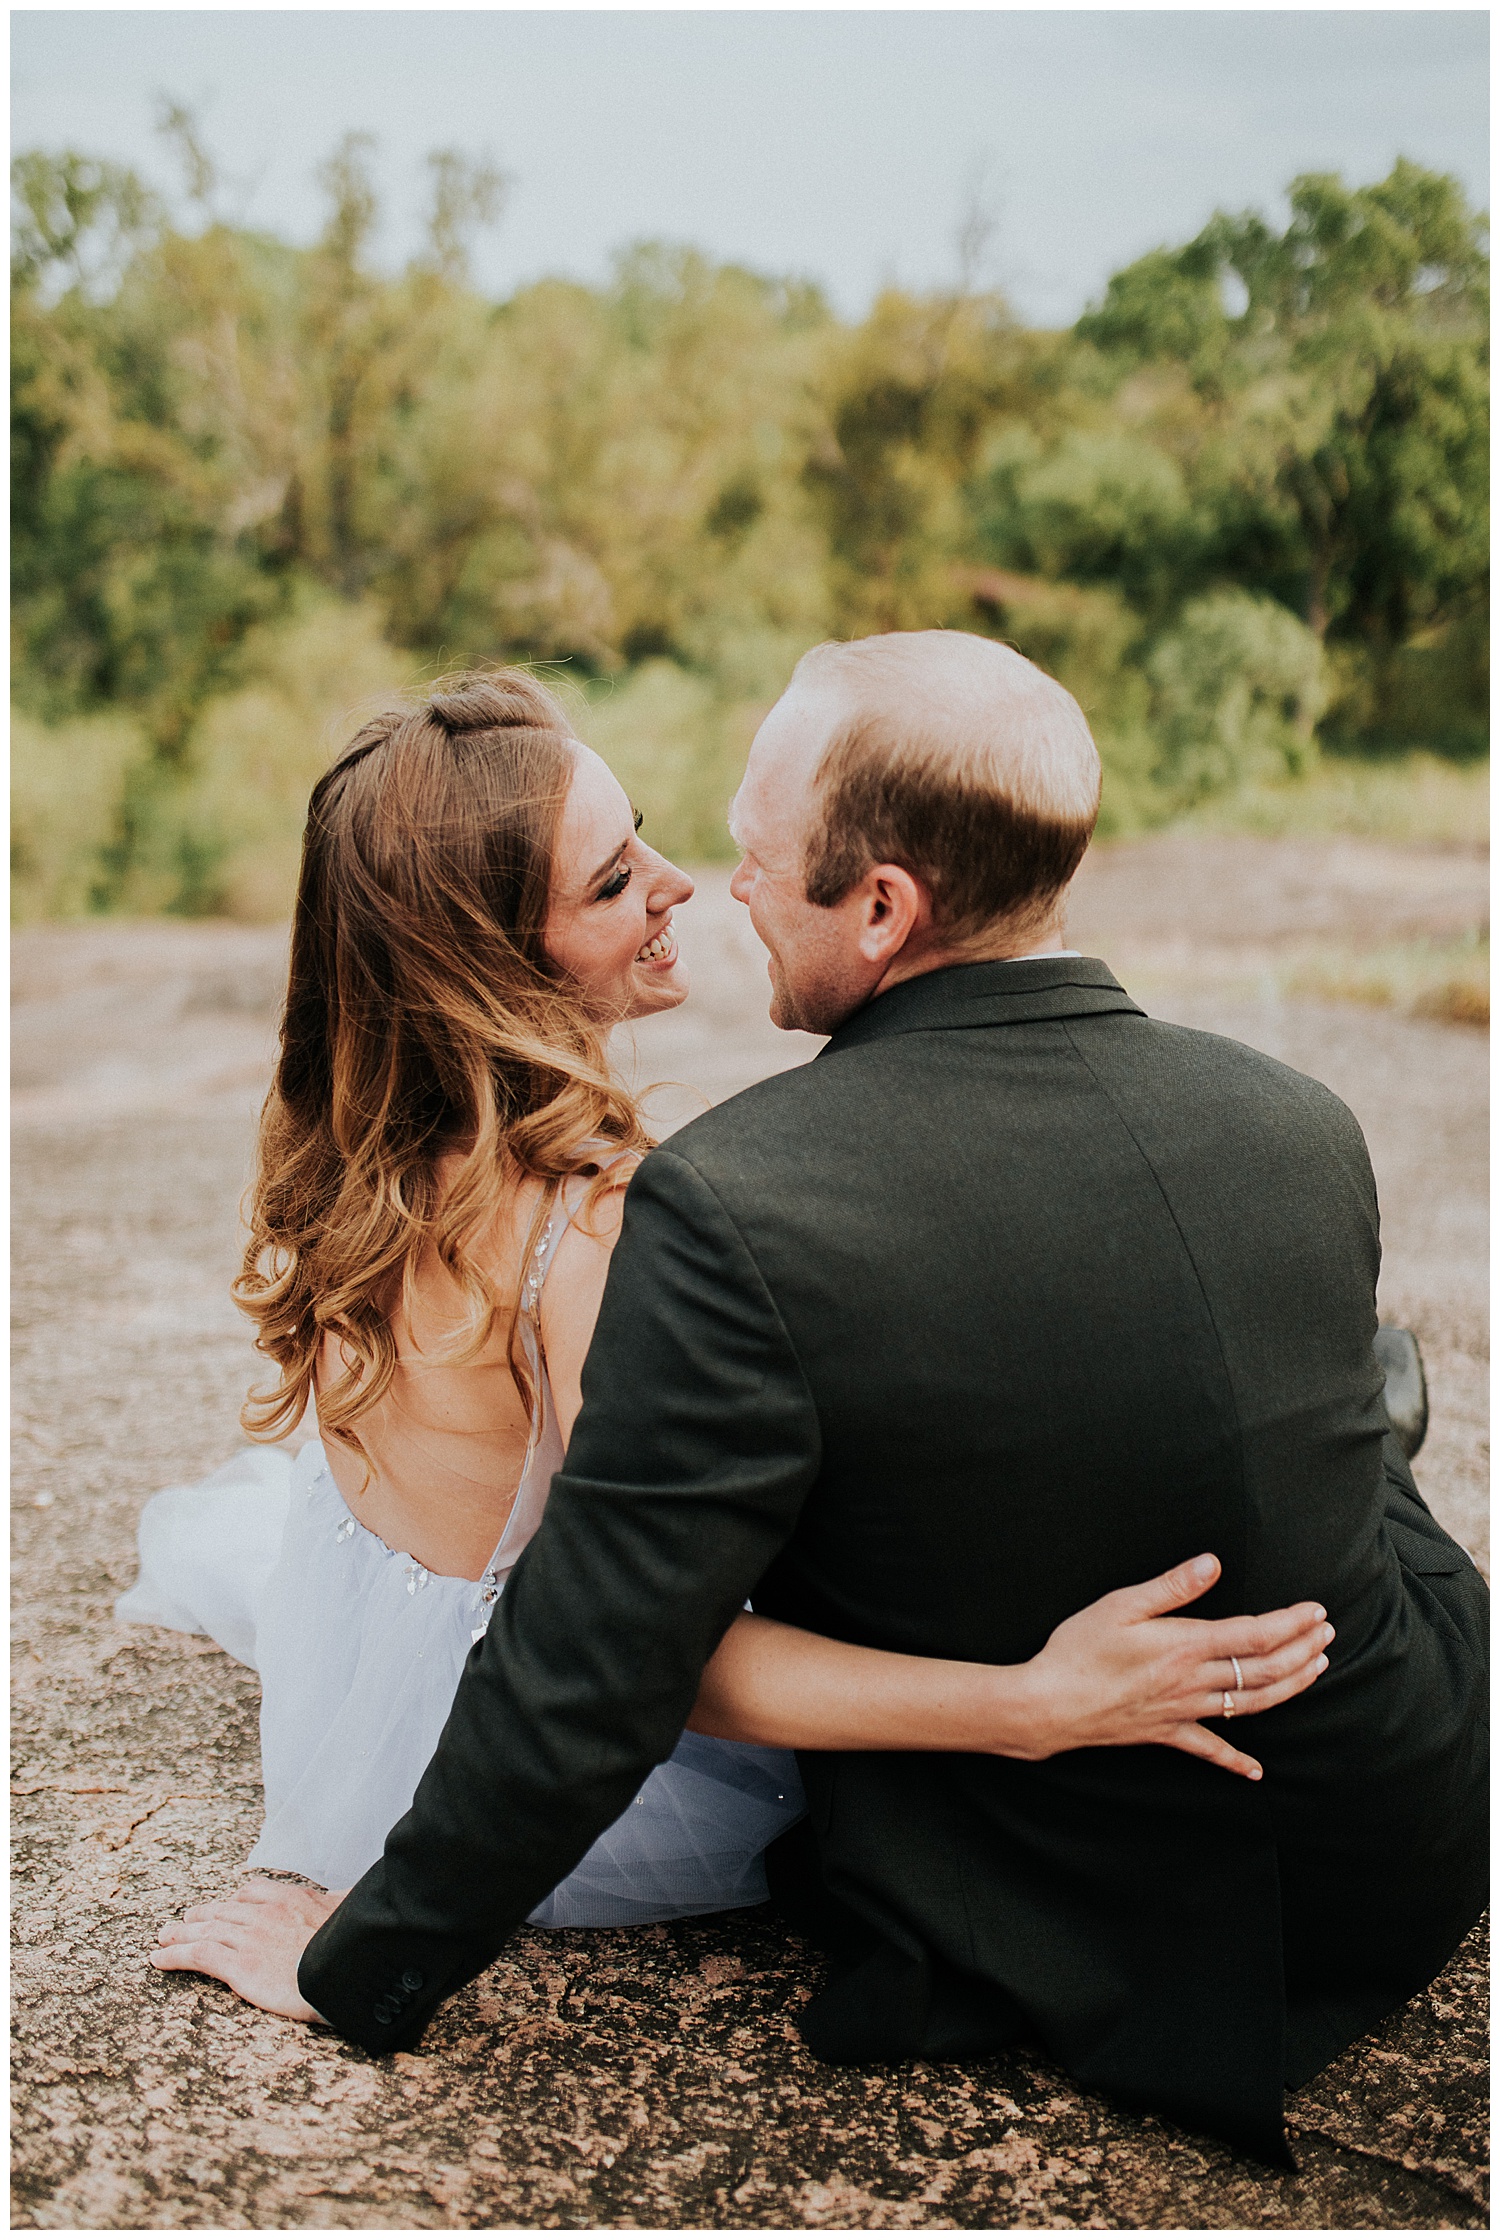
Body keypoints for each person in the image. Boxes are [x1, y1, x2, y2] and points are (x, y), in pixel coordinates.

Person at [153, 638, 1486, 2161]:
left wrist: (363, 1971)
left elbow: (596, 1643)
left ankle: (1361, 1414)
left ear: (881, 906)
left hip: (1073, 1895)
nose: (710, 890)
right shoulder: (1301, 1121)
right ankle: (1367, 1412)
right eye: (632, 868)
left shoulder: (732, 1198)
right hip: (1424, 1824)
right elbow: (609, 1638)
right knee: (1347, 1439)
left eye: (751, 858)